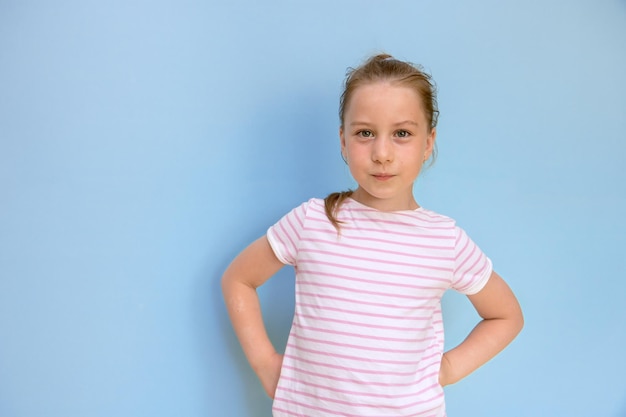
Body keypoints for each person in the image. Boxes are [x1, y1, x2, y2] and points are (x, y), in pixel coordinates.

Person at [221, 53, 524, 417]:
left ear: (428, 143)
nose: (382, 154)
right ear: (343, 141)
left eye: (402, 134)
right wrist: (265, 363)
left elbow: (506, 316)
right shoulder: (311, 221)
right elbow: (239, 279)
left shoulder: (445, 240)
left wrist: (447, 369)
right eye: (365, 133)